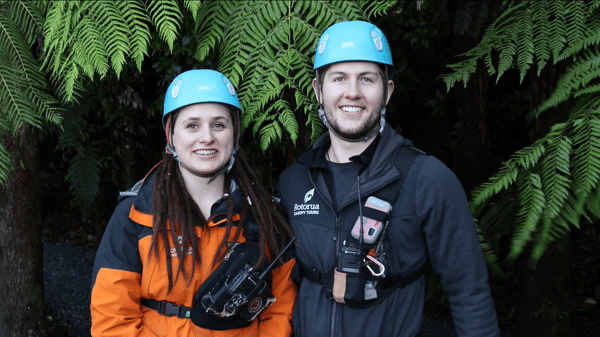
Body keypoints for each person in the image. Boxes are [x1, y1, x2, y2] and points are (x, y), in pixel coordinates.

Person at [276, 21, 500, 337]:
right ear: (318, 90)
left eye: (366, 79)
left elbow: (469, 292)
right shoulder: (294, 182)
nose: (352, 92)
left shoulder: (428, 179)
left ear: (387, 92)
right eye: (339, 78)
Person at [91, 69, 297, 336]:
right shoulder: (135, 216)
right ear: (170, 134)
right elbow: (112, 319)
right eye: (192, 125)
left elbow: (282, 309)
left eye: (218, 124)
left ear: (234, 133)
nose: (206, 137)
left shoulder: (264, 216)